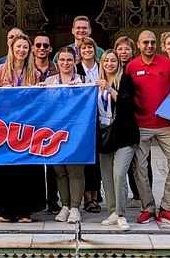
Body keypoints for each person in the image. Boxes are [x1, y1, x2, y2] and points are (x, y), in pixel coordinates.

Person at [126, 30, 170, 226]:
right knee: (140, 168)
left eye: (152, 42)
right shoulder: (131, 67)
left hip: (167, 125)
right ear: (138, 44)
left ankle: (166, 208)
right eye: (145, 43)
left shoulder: (167, 63)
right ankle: (148, 207)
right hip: (141, 125)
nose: (149, 46)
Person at [0, 33, 43, 222]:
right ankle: (5, 209)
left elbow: (38, 99)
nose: (21, 50)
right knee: (6, 168)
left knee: (25, 169)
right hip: (5, 126)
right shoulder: (0, 70)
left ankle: (24, 210)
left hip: (27, 126)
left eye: (25, 48)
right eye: (18, 47)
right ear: (11, 49)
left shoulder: (34, 72)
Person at [96, 49, 138, 231]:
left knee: (119, 173)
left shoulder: (125, 80)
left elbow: (127, 103)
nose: (109, 64)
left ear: (118, 63)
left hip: (125, 134)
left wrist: (110, 89)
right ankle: (112, 211)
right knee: (107, 176)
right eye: (106, 61)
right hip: (105, 136)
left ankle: (121, 214)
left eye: (113, 61)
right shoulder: (95, 83)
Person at [45, 46, 87, 224]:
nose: (65, 63)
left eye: (69, 59)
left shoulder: (83, 80)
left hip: (76, 132)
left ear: (75, 60)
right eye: (62, 60)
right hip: (54, 132)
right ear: (57, 62)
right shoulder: (49, 81)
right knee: (59, 171)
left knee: (75, 171)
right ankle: (65, 206)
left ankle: (76, 207)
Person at [114, 35, 151, 203]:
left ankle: (141, 194)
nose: (123, 52)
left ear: (133, 50)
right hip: (118, 121)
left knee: (141, 161)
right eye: (120, 48)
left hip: (138, 118)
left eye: (127, 49)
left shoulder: (136, 67)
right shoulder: (111, 68)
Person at [32, 32, 61, 214]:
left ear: (50, 49)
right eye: (38, 45)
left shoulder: (58, 68)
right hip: (32, 121)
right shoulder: (26, 69)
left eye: (45, 45)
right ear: (33, 48)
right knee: (33, 162)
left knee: (52, 163)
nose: (42, 48)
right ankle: (36, 201)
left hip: (52, 121)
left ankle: (53, 200)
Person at [75, 37, 102, 213]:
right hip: (81, 120)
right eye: (83, 49)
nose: (87, 51)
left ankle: (95, 195)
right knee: (84, 159)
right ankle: (86, 197)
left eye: (90, 48)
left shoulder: (102, 67)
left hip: (101, 118)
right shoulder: (76, 69)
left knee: (96, 160)